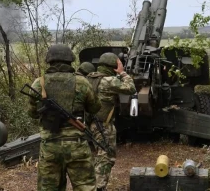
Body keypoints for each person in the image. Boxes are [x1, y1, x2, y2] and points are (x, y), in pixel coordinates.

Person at [28, 44, 101, 191]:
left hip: (50, 147)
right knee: (85, 187)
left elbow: (33, 113)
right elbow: (95, 108)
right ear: (70, 60)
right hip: (77, 145)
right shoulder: (81, 82)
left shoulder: (39, 83)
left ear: (49, 61)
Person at [86, 52, 137, 191]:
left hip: (88, 124)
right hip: (103, 125)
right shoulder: (109, 81)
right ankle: (99, 187)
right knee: (106, 157)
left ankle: (93, 185)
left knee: (97, 155)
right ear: (113, 67)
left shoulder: (89, 78)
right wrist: (123, 73)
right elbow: (131, 88)